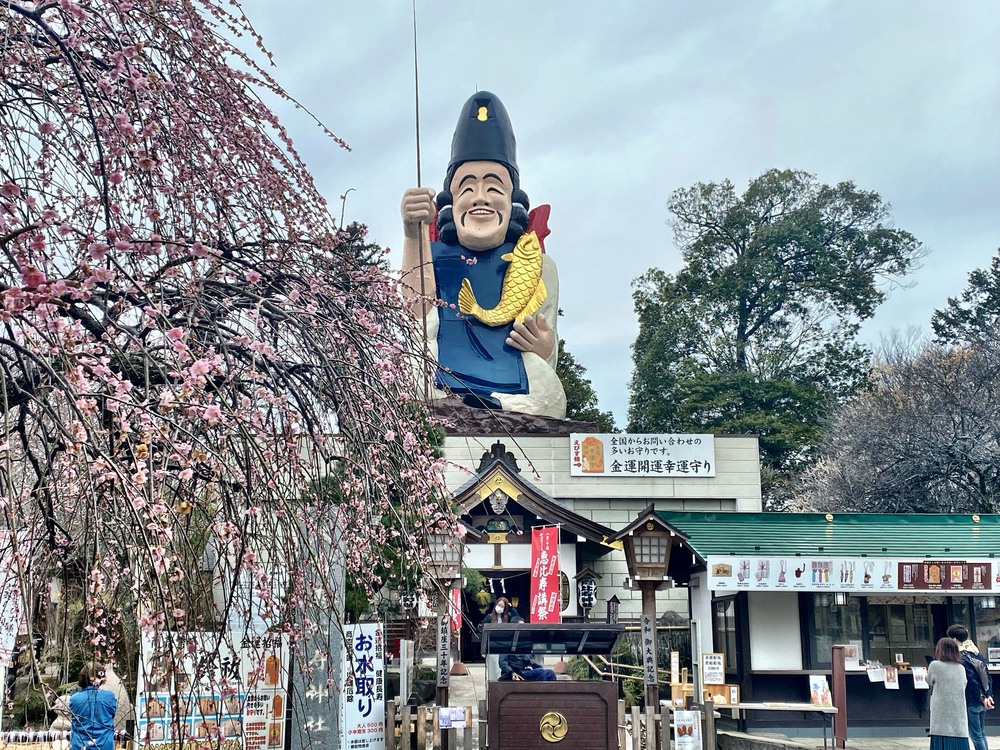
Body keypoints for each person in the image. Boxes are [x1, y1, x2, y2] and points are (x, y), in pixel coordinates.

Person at [400, 90, 566, 418]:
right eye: (467, 188)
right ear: (450, 203)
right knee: (410, 376)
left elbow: (546, 343)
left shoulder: (537, 263)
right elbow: (416, 314)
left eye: (493, 188)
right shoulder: (431, 256)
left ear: (512, 199)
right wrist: (412, 235)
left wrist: (543, 345)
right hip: (443, 373)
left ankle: (497, 406)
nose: (480, 198)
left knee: (550, 396)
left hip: (513, 379)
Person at [946, 624, 994, 750]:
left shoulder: (960, 657)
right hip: (983, 698)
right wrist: (988, 695)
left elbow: (971, 680)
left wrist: (981, 696)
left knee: (976, 735)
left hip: (972, 699)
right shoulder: (976, 653)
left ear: (954, 639)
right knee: (981, 733)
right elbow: (987, 675)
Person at [927, 637, 969, 750]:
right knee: (958, 735)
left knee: (941, 735)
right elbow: (964, 684)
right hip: (958, 710)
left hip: (941, 710)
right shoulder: (961, 668)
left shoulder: (935, 665)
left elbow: (929, 680)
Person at [69, 662, 117, 750]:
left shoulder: (74, 699)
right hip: (104, 745)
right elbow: (112, 715)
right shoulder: (110, 696)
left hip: (80, 745)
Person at [481, 597, 517, 682]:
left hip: (505, 647)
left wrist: (512, 608)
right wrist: (483, 649)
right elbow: (484, 633)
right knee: (492, 668)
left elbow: (517, 619)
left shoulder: (509, 617)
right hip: (492, 646)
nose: (499, 607)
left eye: (502, 606)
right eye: (498, 605)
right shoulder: (489, 617)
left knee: (502, 667)